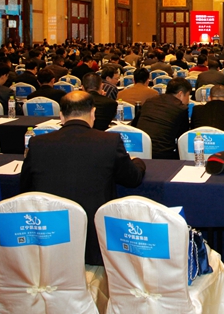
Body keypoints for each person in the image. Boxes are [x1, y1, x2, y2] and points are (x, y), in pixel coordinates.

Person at [20, 91, 146, 266]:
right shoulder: (109, 141)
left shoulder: (37, 143)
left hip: (50, 237)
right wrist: (138, 162)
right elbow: (132, 179)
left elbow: (25, 189)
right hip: (94, 240)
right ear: (93, 113)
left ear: (61, 116)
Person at [132, 77, 191, 159]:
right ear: (180, 94)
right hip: (163, 154)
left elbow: (134, 125)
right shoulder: (181, 108)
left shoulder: (149, 101)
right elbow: (182, 138)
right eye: (188, 95)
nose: (188, 100)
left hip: (139, 150)